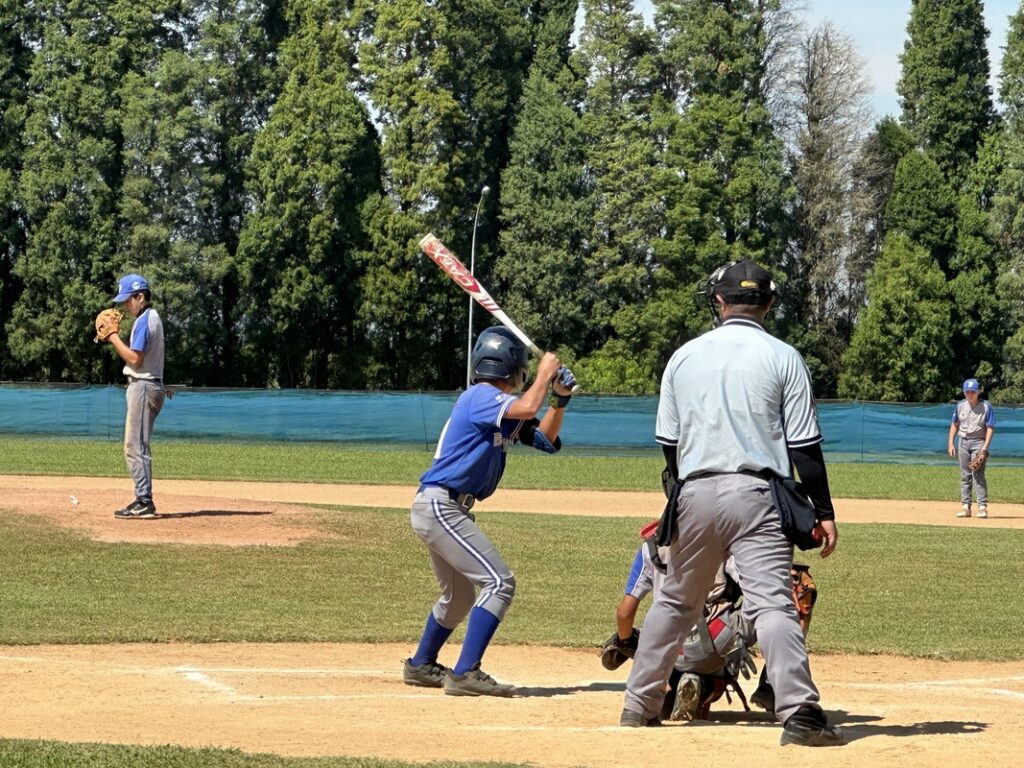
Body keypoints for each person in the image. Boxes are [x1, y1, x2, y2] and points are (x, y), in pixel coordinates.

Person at [619, 259, 843, 748]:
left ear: (719, 301)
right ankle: (799, 713)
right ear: (769, 303)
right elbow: (804, 447)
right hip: (757, 495)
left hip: (693, 491)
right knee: (773, 604)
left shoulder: (683, 357)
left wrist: (682, 498)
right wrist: (823, 512)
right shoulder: (784, 356)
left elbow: (669, 445)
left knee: (674, 602)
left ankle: (639, 704)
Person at [402, 326, 575, 697]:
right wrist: (545, 374)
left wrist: (559, 400)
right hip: (442, 505)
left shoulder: (500, 407)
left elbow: (544, 439)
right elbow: (528, 407)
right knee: (499, 582)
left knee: (460, 598)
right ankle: (466, 672)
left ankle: (420, 665)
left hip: (445, 508)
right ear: (513, 367)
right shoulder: (480, 396)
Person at [103, 273, 166, 520]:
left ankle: (144, 501)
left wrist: (113, 337)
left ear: (140, 296)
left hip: (143, 385)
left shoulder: (144, 320)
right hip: (149, 385)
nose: (126, 305)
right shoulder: (152, 317)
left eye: (128, 300)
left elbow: (135, 359)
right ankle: (143, 499)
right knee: (138, 444)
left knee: (135, 445)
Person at [948, 378, 995, 519]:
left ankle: (982, 507)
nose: (970, 394)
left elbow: (990, 427)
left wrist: (985, 447)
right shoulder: (960, 405)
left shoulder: (986, 407)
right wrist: (950, 443)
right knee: (965, 475)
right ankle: (966, 507)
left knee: (978, 474)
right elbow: (955, 424)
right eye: (967, 391)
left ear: (978, 392)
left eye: (972, 391)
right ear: (964, 392)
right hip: (963, 442)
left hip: (978, 442)